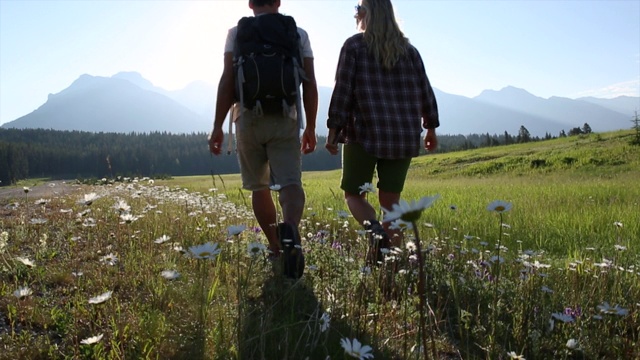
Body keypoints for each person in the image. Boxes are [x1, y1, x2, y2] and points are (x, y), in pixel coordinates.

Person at [208, 0, 318, 278]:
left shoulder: (236, 33)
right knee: (291, 183)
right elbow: (310, 84)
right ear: (278, 2)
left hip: (247, 117)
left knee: (260, 187)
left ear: (250, 3)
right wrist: (311, 127)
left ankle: (275, 247)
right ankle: (290, 226)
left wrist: (218, 126)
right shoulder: (298, 33)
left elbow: (227, 80)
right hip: (286, 117)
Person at [325, 0, 439, 265]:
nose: (355, 13)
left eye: (358, 8)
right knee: (392, 202)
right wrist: (430, 127)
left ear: (367, 14)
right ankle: (390, 265)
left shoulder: (354, 46)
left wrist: (333, 131)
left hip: (363, 131)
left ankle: (375, 231)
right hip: (403, 136)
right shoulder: (409, 51)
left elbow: (342, 91)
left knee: (353, 195)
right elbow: (426, 90)